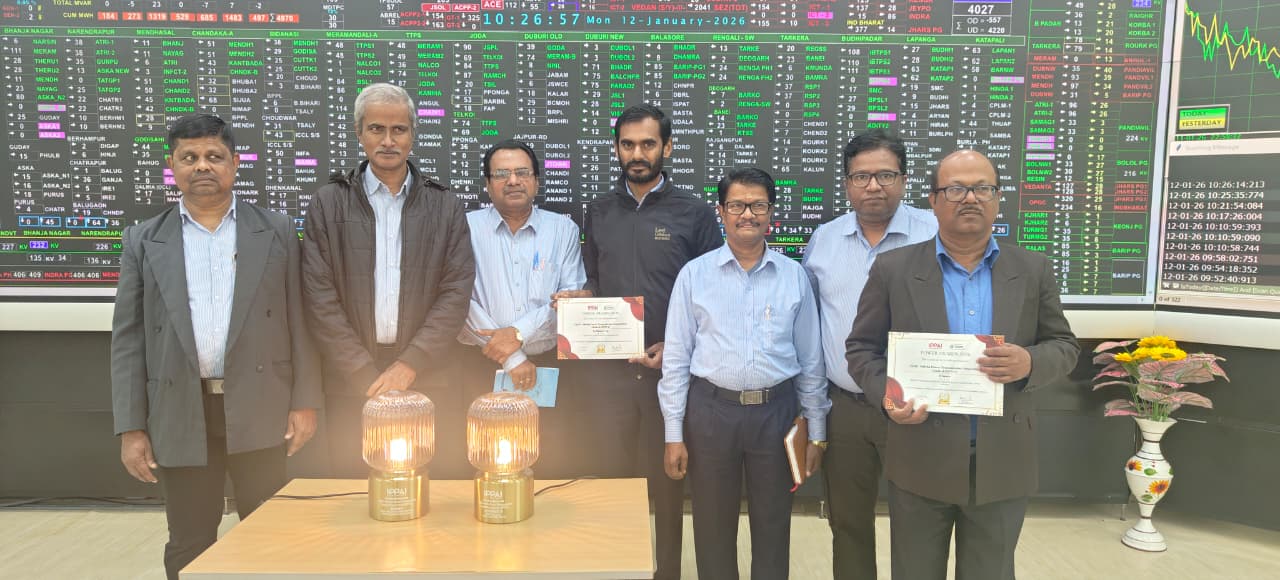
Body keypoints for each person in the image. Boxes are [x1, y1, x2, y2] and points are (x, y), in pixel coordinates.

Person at [845, 150, 1079, 580]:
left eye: (982, 188)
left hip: (1003, 460)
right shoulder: (894, 269)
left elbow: (1064, 345)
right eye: (955, 189)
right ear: (933, 200)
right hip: (920, 458)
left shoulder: (1032, 269)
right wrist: (888, 396)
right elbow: (861, 349)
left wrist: (1030, 361)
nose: (970, 198)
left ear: (998, 198)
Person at [111, 114, 321, 580]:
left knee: (270, 538)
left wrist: (305, 401)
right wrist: (131, 426)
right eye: (189, 157)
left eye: (213, 156)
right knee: (189, 541)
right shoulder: (143, 239)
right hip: (180, 410)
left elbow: (300, 321)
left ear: (235, 163)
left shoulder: (276, 230)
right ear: (172, 165)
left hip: (260, 403)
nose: (202, 166)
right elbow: (128, 339)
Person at [553, 103, 722, 580]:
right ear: (616, 149)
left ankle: (666, 571)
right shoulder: (599, 211)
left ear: (667, 147)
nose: (637, 154)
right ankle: (611, 570)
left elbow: (714, 293)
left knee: (667, 487)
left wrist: (676, 349)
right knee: (608, 484)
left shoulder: (694, 213)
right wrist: (579, 299)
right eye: (627, 144)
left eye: (648, 144)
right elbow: (594, 280)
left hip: (669, 377)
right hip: (607, 378)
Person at [660, 167, 828, 580]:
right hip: (711, 412)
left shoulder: (794, 276)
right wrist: (673, 433)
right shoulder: (694, 275)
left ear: (771, 212)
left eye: (758, 205)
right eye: (736, 205)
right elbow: (676, 359)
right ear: (721, 211)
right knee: (712, 526)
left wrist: (817, 430)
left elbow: (811, 360)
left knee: (774, 524)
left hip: (777, 414)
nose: (747, 214)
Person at [302, 82, 475, 479]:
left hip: (429, 376)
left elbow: (455, 292)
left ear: (412, 134)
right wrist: (363, 373)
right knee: (356, 491)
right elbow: (318, 296)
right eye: (376, 129)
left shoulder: (445, 205)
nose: (388, 141)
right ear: (359, 133)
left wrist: (410, 364)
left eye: (399, 130)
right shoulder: (328, 203)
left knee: (431, 490)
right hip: (351, 382)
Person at [803, 129, 937, 579]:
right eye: (861, 177)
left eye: (885, 175)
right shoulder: (824, 240)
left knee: (918, 524)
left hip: (919, 409)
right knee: (848, 523)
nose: (873, 186)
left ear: (904, 179)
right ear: (847, 183)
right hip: (846, 408)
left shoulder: (935, 233)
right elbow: (811, 327)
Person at [455, 139, 587, 477]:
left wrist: (516, 333)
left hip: (546, 368)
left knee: (547, 463)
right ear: (487, 184)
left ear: (536, 181)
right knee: (482, 462)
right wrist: (512, 356)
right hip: (477, 368)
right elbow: (455, 298)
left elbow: (569, 300)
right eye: (501, 174)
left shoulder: (563, 230)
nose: (513, 181)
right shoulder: (463, 226)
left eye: (522, 173)